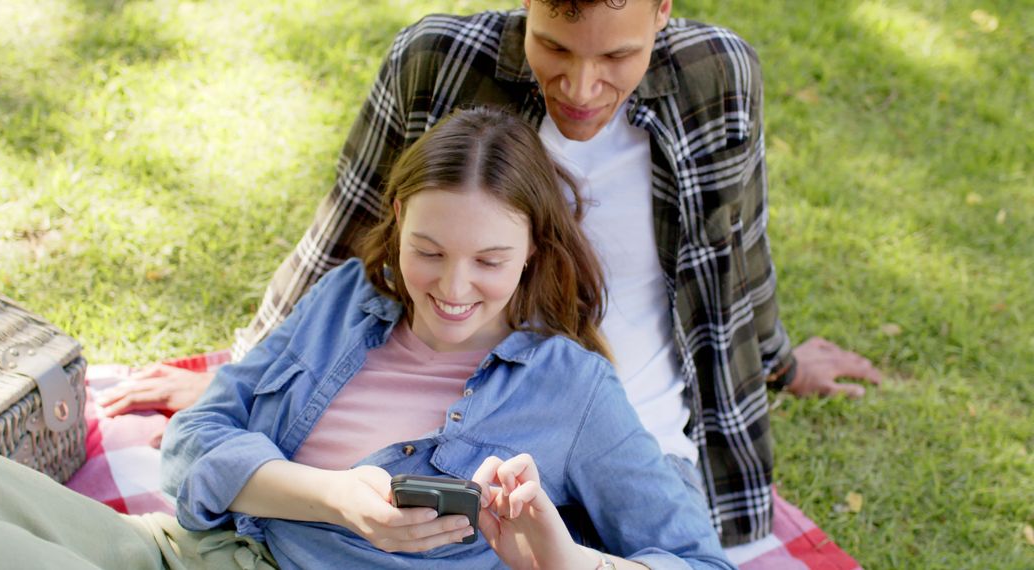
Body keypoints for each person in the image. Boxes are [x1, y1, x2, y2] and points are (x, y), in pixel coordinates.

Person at [98, 0, 883, 548]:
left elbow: (736, 251)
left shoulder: (719, 78)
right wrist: (249, 375)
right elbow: (350, 230)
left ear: (664, 13)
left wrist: (777, 361)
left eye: (617, 55)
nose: (581, 87)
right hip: (474, 405)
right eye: (554, 47)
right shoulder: (439, 63)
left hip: (633, 429)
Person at [0, 107, 734, 570]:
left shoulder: (572, 391)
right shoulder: (348, 300)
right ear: (396, 224)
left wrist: (559, 557)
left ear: (533, 250)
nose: (453, 288)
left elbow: (701, 560)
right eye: (428, 251)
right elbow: (195, 437)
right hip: (201, 551)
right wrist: (333, 497)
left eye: (489, 260)